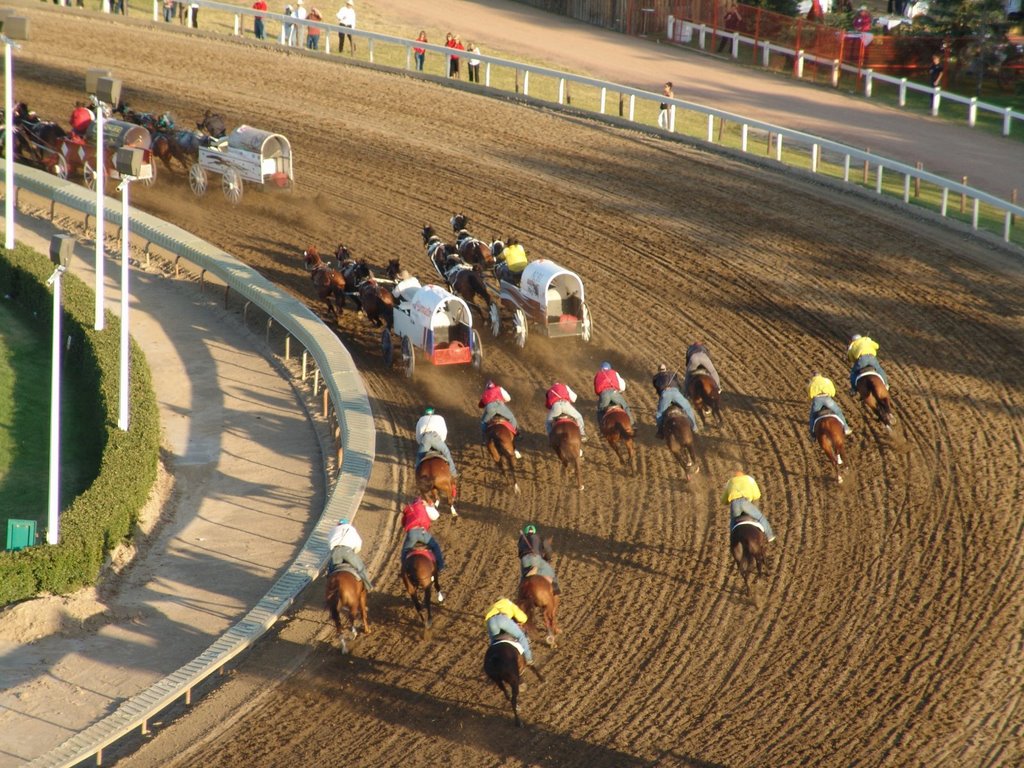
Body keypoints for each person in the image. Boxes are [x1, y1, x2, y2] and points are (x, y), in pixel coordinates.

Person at [401, 497, 446, 598]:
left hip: (411, 534)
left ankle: (404, 570)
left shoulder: (408, 508)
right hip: (422, 532)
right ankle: (440, 565)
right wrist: (429, 506)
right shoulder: (424, 506)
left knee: (405, 550)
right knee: (435, 546)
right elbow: (435, 516)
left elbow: (403, 524)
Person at [721, 470, 776, 543]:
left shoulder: (730, 482)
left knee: (733, 521)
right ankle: (770, 536)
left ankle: (733, 540)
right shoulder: (749, 479)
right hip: (745, 502)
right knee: (760, 517)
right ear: (743, 475)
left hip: (734, 505)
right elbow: (757, 495)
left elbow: (723, 501)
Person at [652, 363, 699, 438]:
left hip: (665, 394)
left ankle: (660, 431)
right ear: (666, 369)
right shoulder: (672, 374)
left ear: (658, 370)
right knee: (687, 408)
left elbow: (658, 389)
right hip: (676, 392)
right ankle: (694, 428)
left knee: (660, 413)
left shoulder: (655, 377)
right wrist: (682, 394)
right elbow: (679, 385)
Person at [327, 518, 374, 590]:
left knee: (331, 571)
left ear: (338, 524)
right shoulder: (351, 529)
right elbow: (358, 543)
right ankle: (368, 587)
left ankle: (329, 588)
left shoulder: (333, 530)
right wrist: (355, 552)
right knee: (361, 568)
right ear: (348, 524)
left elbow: (329, 544)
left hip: (335, 552)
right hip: (348, 552)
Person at [478, 380, 521, 458]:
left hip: (489, 409)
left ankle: (484, 438)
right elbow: (508, 398)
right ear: (494, 386)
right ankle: (516, 433)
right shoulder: (499, 388)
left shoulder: (484, 393)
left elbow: (480, 405)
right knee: (511, 418)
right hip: (500, 406)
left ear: (486, 388)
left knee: (483, 422)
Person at [484, 598, 534, 665]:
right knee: (521, 636)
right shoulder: (507, 602)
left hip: (490, 622)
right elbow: (522, 618)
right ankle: (528, 658)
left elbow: (485, 624)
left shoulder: (491, 607)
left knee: (494, 642)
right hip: (502, 619)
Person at [517, 523, 561, 595]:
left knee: (523, 576)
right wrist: (547, 558)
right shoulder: (540, 537)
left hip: (525, 559)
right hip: (536, 558)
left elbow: (520, 553)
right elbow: (548, 550)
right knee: (550, 572)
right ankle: (556, 589)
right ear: (534, 531)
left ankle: (520, 591)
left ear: (526, 532)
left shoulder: (521, 539)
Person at [415, 407, 458, 478]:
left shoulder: (421, 419)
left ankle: (416, 475)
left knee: (419, 457)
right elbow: (444, 432)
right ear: (433, 413)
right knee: (446, 452)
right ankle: (453, 473)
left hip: (425, 439)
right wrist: (440, 441)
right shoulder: (440, 418)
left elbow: (418, 436)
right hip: (436, 438)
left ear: (425, 414)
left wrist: (422, 443)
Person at [808, 372, 853, 438]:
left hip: (817, 400)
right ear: (820, 375)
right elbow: (832, 391)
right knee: (838, 412)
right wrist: (831, 395)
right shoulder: (826, 380)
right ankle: (846, 428)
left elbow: (810, 395)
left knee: (812, 416)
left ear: (813, 377)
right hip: (827, 399)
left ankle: (812, 434)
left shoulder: (811, 383)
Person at [593, 361, 635, 428]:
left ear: (601, 368)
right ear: (610, 368)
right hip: (614, 393)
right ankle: (632, 424)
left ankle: (602, 427)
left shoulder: (598, 375)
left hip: (604, 394)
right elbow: (622, 386)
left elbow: (596, 390)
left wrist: (601, 394)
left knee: (600, 411)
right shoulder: (614, 372)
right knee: (625, 407)